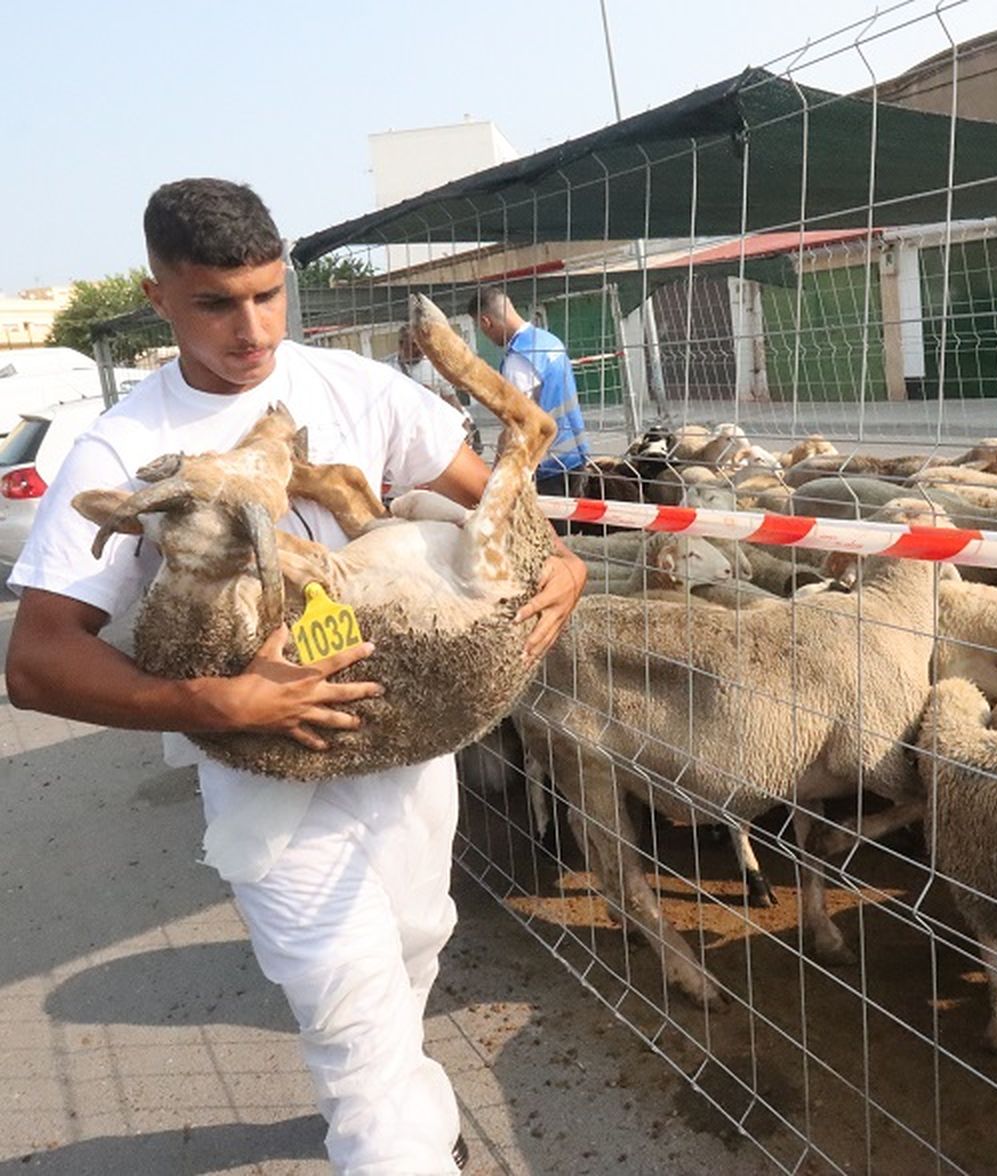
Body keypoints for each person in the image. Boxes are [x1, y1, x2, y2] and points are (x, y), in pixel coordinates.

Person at [4, 178, 587, 1174]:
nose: (251, 327)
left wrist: (559, 558)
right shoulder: (129, 445)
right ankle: (388, 1140)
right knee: (341, 991)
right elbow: (37, 659)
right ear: (160, 299)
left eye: (268, 295)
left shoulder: (356, 391)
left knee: (412, 941)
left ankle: (400, 1107)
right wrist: (208, 702)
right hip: (268, 774)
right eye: (215, 303)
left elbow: (492, 497)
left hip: (407, 734)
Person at [466, 287, 590, 498]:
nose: (486, 336)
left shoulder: (518, 359)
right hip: (575, 453)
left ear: (487, 322)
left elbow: (516, 424)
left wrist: (495, 480)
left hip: (546, 464)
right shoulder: (549, 341)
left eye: (482, 329)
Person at [387, 324, 483, 456]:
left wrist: (463, 421)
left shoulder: (433, 365)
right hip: (406, 433)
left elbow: (449, 396)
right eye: (415, 345)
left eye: (423, 344)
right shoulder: (387, 369)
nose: (420, 349)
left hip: (435, 427)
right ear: (401, 344)